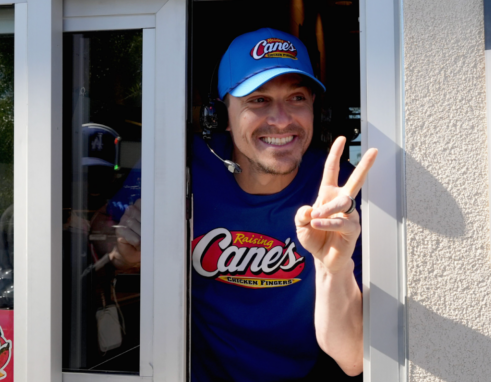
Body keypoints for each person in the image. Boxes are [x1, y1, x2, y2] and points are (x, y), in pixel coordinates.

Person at [113, 28, 377, 381]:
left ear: (316, 107)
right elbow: (103, 235)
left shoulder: (341, 194)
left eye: (296, 98)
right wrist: (125, 255)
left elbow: (352, 359)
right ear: (219, 114)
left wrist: (335, 269)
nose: (281, 119)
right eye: (258, 100)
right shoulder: (179, 167)